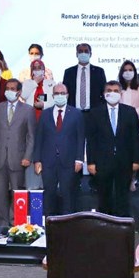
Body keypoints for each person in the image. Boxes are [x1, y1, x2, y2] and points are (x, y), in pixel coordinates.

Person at [86, 81, 139, 217]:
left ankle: (122, 224)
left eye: (116, 91)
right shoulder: (95, 113)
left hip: (125, 161)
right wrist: (91, 162)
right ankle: (105, 224)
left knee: (123, 197)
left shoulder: (130, 112)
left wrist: (136, 160)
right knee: (103, 197)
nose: (112, 93)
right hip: (102, 161)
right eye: (109, 90)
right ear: (104, 93)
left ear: (121, 93)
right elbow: (91, 140)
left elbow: (136, 138)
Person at [0, 79, 35, 228]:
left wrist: (27, 156)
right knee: (0, 194)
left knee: (17, 192)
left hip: (18, 158)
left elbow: (31, 136)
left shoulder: (28, 110)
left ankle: (16, 223)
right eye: (7, 88)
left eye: (13, 89)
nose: (9, 91)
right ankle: (3, 224)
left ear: (19, 92)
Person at [32, 83, 85, 216]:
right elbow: (39, 138)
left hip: (69, 162)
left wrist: (79, 159)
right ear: (52, 96)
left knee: (68, 196)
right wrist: (37, 160)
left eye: (62, 93)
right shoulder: (45, 114)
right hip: (48, 162)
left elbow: (80, 138)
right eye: (57, 93)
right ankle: (49, 223)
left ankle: (67, 225)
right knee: (49, 195)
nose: (60, 96)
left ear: (67, 95)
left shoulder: (76, 114)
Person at [62, 43, 106, 112]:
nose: (83, 53)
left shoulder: (99, 71)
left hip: (94, 112)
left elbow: (104, 92)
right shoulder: (69, 72)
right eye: (80, 51)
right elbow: (65, 93)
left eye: (86, 51)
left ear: (90, 54)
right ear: (76, 54)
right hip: (73, 111)